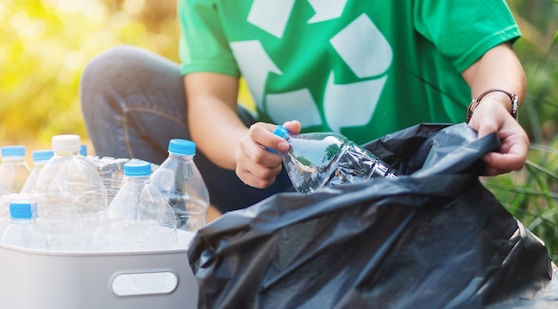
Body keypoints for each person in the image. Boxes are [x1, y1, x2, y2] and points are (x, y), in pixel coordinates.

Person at [80, 0, 529, 214]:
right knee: (116, 80)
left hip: (408, 191)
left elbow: (490, 56)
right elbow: (208, 103)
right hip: (288, 184)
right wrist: (244, 146)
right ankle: (181, 293)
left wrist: (495, 102)